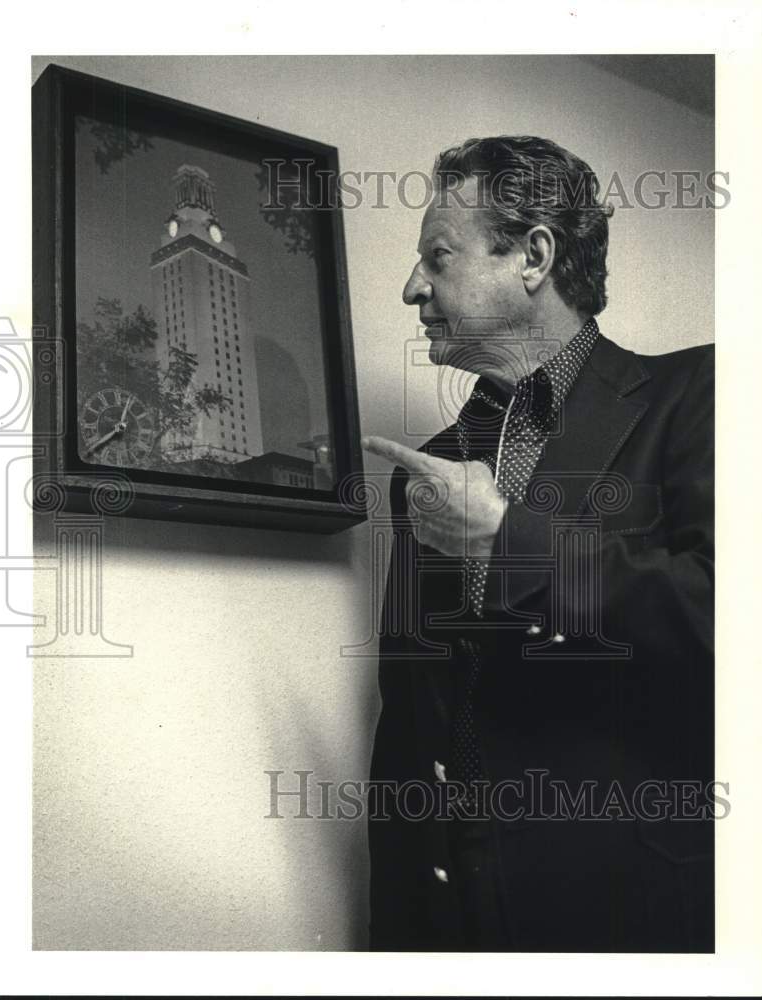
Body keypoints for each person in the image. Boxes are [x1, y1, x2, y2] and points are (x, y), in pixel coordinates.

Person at [362, 136, 714, 953]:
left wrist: (504, 541)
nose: (411, 286)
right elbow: (410, 714)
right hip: (447, 920)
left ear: (533, 255)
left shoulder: (700, 396)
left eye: (436, 257)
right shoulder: (431, 466)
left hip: (634, 909)